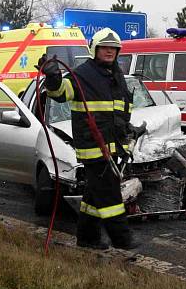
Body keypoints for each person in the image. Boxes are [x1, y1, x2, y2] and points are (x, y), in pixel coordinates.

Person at [40, 28, 139, 250]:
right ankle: (123, 240)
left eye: (113, 48)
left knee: (93, 196)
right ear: (95, 49)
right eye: (105, 47)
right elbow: (59, 94)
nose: (109, 51)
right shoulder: (82, 74)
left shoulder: (117, 75)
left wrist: (129, 130)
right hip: (94, 147)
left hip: (115, 147)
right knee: (110, 195)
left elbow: (119, 111)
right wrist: (53, 77)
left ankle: (87, 238)